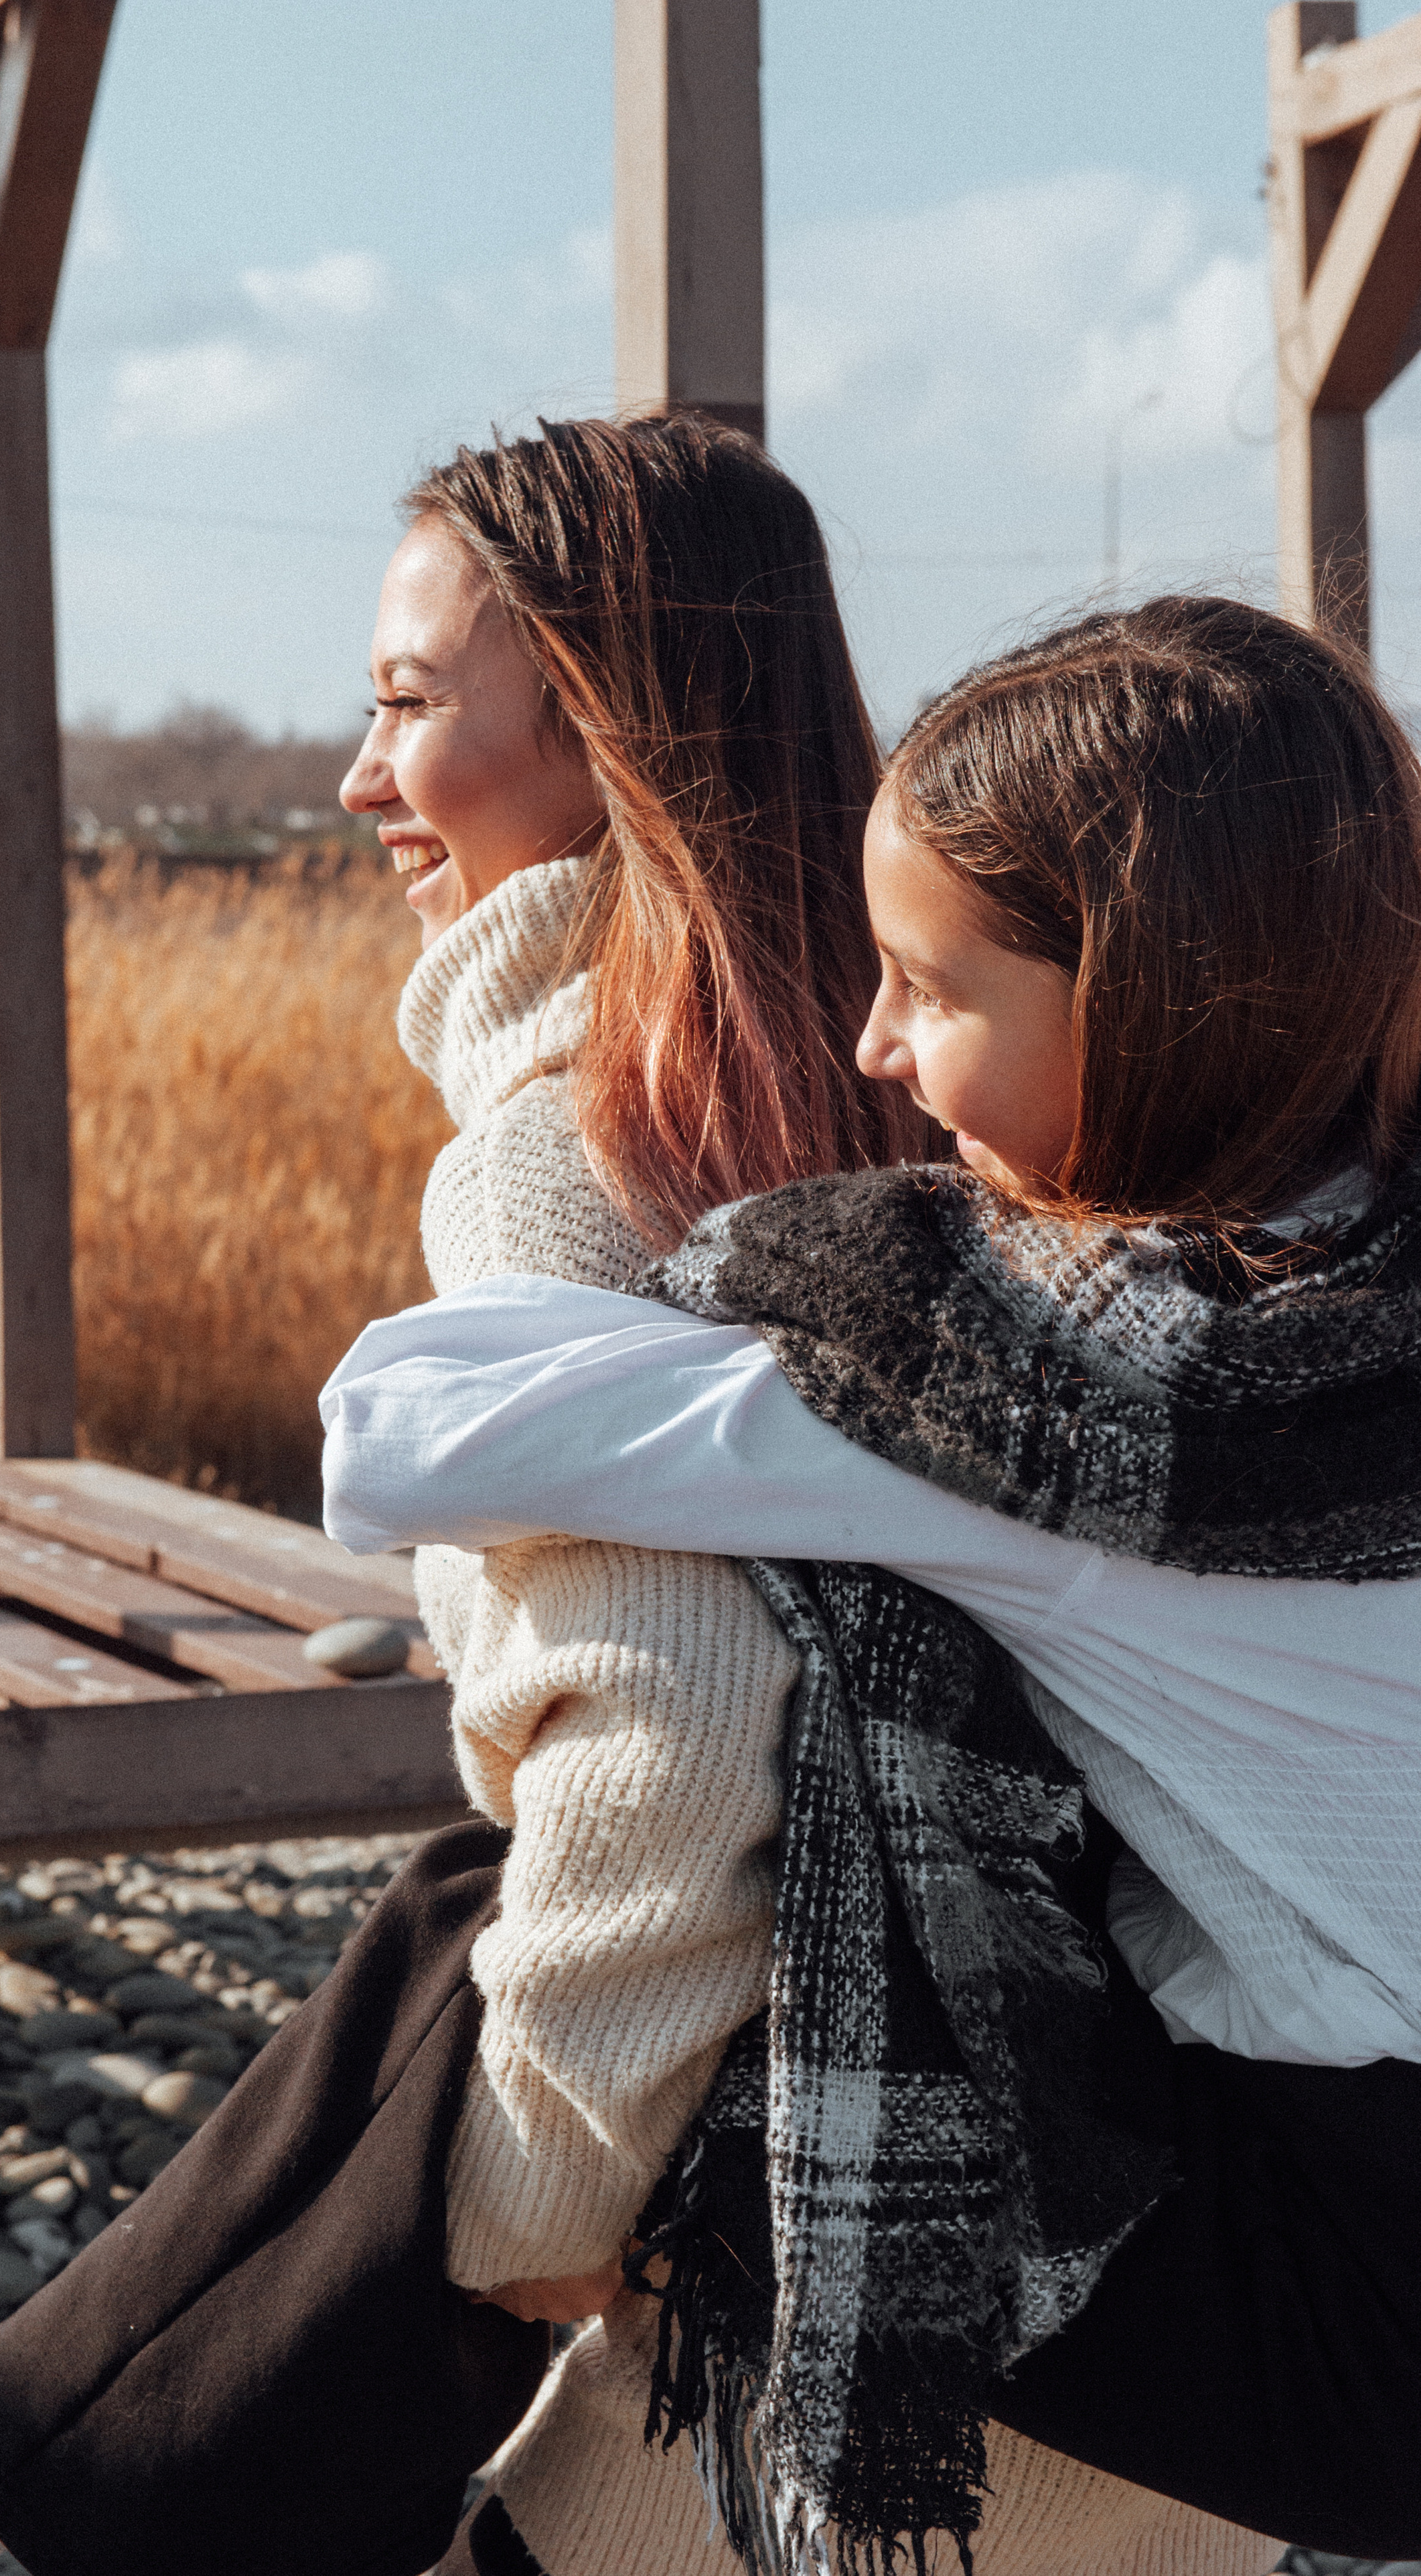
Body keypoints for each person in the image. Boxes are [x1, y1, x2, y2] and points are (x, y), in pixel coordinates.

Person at [321, 594, 1421, 2571]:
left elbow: (397, 1425)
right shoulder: (1381, 1277)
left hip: (1356, 2313)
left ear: (1149, 1002)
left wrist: (851, 1284)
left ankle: (16, 2486)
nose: (873, 1048)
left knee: (588, 1990)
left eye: (929, 985)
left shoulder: (1059, 1422)